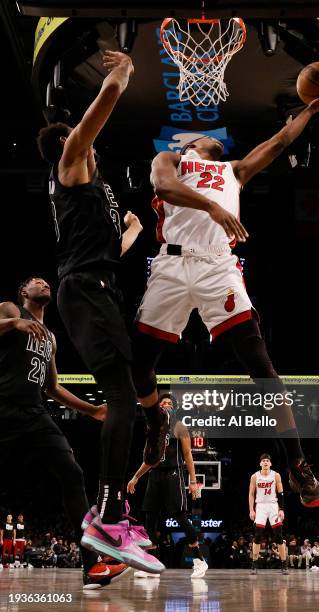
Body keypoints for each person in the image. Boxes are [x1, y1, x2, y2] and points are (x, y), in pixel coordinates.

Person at [132, 87, 319, 507]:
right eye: (200, 137)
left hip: (217, 266)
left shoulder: (236, 170)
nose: (210, 138)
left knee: (264, 370)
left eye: (215, 139)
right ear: (189, 145)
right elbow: (164, 187)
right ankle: (156, 424)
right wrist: (214, 209)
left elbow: (282, 140)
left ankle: (298, 466)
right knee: (139, 365)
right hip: (172, 265)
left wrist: (313, 109)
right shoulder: (171, 159)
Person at [36, 50, 164, 575]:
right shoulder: (70, 166)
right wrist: (120, 76)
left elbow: (111, 245)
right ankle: (109, 515)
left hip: (100, 286)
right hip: (85, 291)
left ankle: (105, 536)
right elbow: (95, 116)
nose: (88, 148)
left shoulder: (95, 194)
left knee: (132, 391)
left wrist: (132, 230)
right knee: (121, 399)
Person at [0, 277, 130, 587]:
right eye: (35, 282)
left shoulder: (51, 338)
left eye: (46, 283)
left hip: (34, 414)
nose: (43, 283)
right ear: (22, 292)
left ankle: (91, 565)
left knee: (73, 474)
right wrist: (14, 323)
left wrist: (92, 410)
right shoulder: (9, 309)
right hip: (3, 408)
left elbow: (53, 387)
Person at [127, 393, 208, 578]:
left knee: (179, 516)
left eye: (169, 403)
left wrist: (193, 481)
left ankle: (199, 560)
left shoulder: (179, 426)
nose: (165, 405)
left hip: (174, 472)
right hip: (155, 474)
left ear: (175, 407)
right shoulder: (153, 429)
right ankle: (152, 564)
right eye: (162, 403)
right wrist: (135, 477)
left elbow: (188, 455)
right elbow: (149, 460)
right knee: (150, 517)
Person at [249, 454, 288, 575]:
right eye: (263, 461)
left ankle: (284, 563)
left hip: (273, 505)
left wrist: (281, 509)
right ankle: (254, 563)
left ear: (270, 464)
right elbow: (251, 494)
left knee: (278, 536)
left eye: (267, 461)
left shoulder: (275, 475)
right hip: (260, 506)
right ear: (260, 464)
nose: (265, 462)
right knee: (257, 536)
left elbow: (281, 493)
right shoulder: (255, 476)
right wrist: (251, 509)